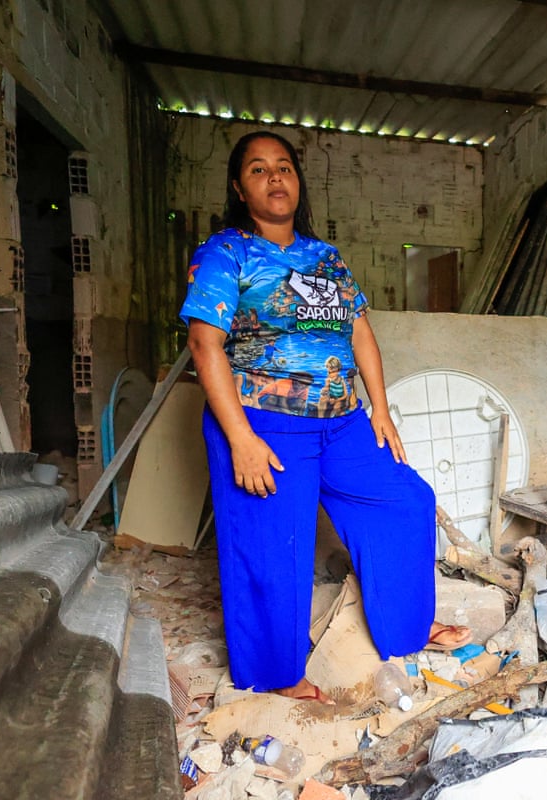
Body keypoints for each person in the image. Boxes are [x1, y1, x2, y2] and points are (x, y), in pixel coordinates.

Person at [180, 131, 470, 703]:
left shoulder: (325, 257)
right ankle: (276, 676)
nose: (274, 177)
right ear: (239, 188)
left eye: (284, 166)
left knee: (405, 501)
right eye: (258, 169)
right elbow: (203, 344)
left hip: (341, 421)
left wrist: (379, 408)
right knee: (273, 548)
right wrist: (239, 437)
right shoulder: (226, 253)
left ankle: (408, 627)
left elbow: (359, 331)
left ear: (297, 180)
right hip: (264, 421)